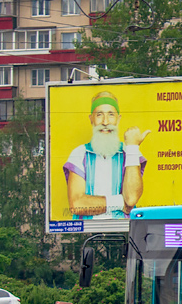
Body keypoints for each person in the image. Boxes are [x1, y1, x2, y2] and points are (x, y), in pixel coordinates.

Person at [63, 91, 149, 219]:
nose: (105, 122)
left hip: (123, 231)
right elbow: (77, 204)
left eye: (111, 115)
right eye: (99, 115)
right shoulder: (80, 153)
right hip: (88, 234)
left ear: (118, 119)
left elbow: (131, 199)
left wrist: (132, 147)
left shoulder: (129, 152)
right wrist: (121, 203)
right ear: (91, 119)